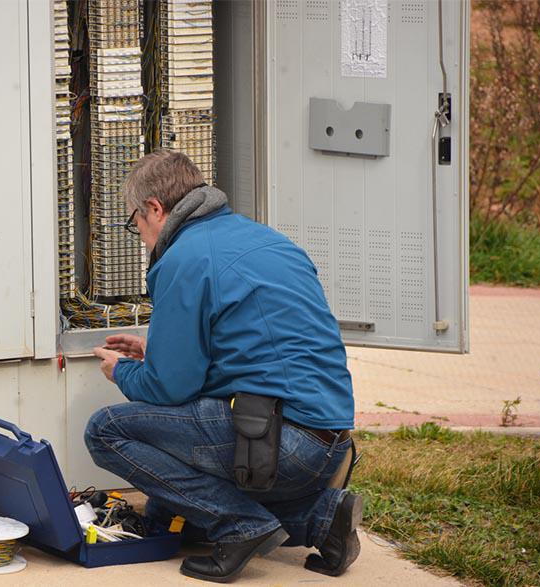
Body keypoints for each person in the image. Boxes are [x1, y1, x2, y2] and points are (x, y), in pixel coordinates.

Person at [86, 150, 362, 583]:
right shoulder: (266, 239)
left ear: (155, 209)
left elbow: (170, 388)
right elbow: (250, 352)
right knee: (169, 507)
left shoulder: (183, 258)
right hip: (330, 441)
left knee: (105, 430)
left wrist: (121, 371)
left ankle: (241, 526)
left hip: (280, 445)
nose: (139, 234)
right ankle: (320, 519)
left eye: (134, 222)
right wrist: (152, 349)